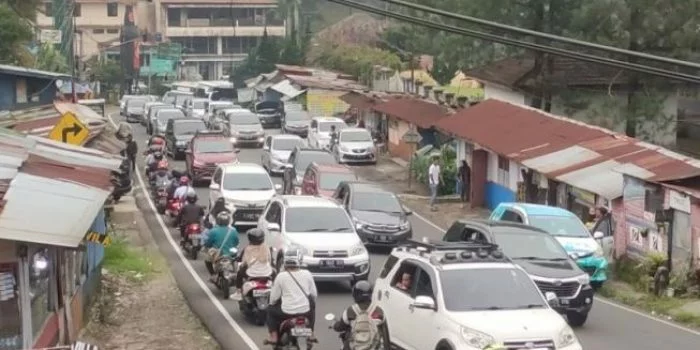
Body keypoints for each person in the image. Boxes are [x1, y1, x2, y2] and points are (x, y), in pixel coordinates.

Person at [266, 248, 318, 345]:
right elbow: (314, 295)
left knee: (270, 310)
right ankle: (311, 333)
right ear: (300, 260)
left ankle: (274, 336)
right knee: (313, 306)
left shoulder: (281, 276)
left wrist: (273, 303)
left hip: (287, 312)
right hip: (305, 312)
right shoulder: (307, 274)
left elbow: (273, 299)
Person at [332, 281, 389, 350]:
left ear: (355, 295)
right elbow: (385, 333)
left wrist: (334, 325)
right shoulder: (379, 311)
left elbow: (340, 327)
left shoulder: (350, 311)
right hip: (374, 346)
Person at [231, 228, 274, 301]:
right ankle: (275, 288)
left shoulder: (247, 249)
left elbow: (244, 261)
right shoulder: (266, 247)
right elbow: (269, 260)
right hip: (267, 273)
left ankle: (238, 291)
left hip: (251, 273)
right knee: (275, 271)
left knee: (239, 273)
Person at [203, 212, 239, 279]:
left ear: (218, 221)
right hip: (230, 253)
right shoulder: (233, 230)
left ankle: (213, 275)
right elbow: (236, 242)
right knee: (236, 258)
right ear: (228, 221)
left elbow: (208, 243)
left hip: (218, 254)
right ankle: (235, 272)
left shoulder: (213, 231)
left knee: (207, 260)